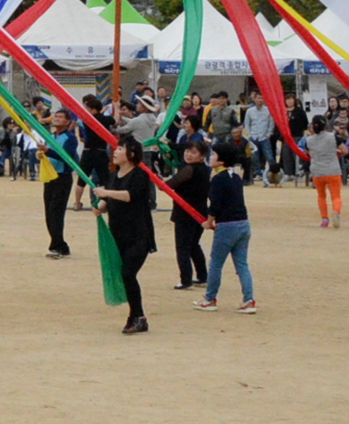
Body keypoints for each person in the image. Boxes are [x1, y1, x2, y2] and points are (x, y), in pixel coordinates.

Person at [94, 142, 158, 335]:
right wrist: (102, 205)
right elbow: (111, 200)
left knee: (128, 274)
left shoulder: (139, 175)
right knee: (125, 275)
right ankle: (136, 316)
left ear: (131, 153)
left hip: (139, 235)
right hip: (119, 235)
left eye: (120, 149)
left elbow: (130, 196)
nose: (116, 152)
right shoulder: (114, 176)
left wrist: (106, 193)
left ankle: (138, 316)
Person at [199, 141, 257, 314]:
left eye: (214, 155)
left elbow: (215, 205)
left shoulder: (218, 179)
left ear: (222, 160)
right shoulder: (236, 177)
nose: (211, 157)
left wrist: (208, 222)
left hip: (227, 225)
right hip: (243, 223)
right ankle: (249, 300)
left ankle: (210, 299)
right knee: (242, 265)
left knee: (216, 263)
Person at [167, 139, 211, 290]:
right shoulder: (206, 169)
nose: (189, 155)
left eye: (194, 152)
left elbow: (169, 185)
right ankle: (202, 276)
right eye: (187, 151)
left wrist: (158, 180)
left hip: (186, 213)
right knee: (193, 245)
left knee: (183, 247)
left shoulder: (189, 169)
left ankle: (186, 280)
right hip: (200, 212)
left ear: (202, 155)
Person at [39, 109, 78, 259]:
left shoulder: (70, 138)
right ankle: (56, 243)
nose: (57, 119)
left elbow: (66, 156)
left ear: (68, 121)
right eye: (56, 116)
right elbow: (47, 153)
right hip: (50, 176)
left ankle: (60, 245)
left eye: (61, 117)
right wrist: (41, 154)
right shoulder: (49, 136)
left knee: (56, 211)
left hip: (62, 177)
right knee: (49, 212)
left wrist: (47, 151)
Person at [303, 114, 344, 229]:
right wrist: (337, 155)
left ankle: (324, 219)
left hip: (317, 170)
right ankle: (336, 211)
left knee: (321, 196)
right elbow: (345, 150)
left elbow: (307, 153)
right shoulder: (333, 137)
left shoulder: (308, 140)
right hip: (332, 169)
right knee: (336, 196)